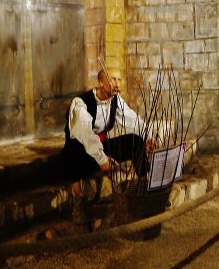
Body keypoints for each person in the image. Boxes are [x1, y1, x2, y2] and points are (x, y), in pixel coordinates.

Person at [62, 68, 155, 225]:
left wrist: (149, 137)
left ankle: (146, 187)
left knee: (136, 140)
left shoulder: (115, 100)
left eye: (119, 80)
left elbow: (133, 119)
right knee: (74, 148)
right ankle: (78, 202)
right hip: (82, 152)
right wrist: (102, 159)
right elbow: (86, 134)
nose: (117, 84)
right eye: (113, 79)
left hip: (100, 148)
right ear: (101, 82)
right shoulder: (80, 103)